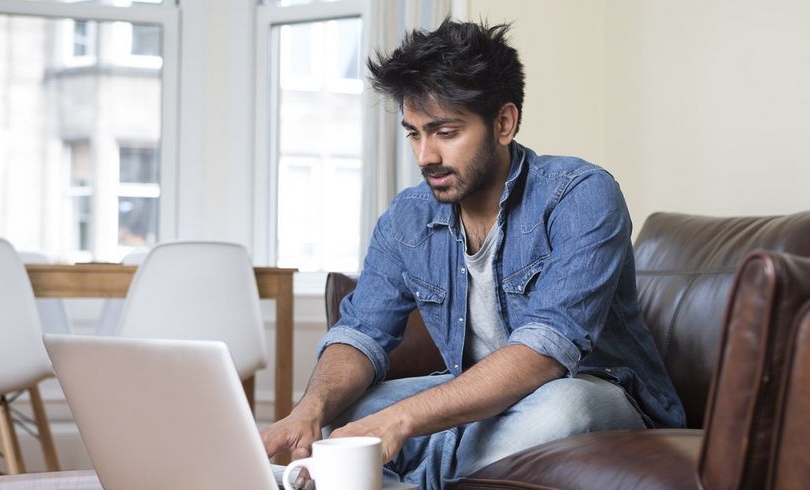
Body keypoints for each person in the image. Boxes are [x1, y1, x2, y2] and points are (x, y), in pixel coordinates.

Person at [261, 18, 685, 489]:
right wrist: (309, 409)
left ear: (504, 123)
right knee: (349, 414)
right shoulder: (408, 217)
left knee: (564, 407)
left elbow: (544, 352)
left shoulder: (580, 194)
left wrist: (402, 421)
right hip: (479, 399)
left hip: (591, 390)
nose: (425, 156)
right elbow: (361, 332)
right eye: (414, 133)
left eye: (445, 132)